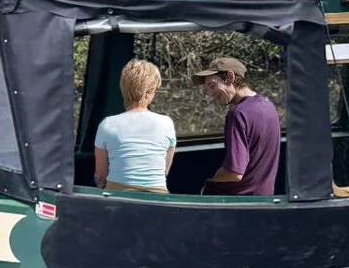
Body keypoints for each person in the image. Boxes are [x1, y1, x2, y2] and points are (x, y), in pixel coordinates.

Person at [195, 55, 281, 195]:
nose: (210, 94)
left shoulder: (237, 115)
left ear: (230, 77)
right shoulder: (268, 105)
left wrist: (212, 181)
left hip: (236, 202)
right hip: (264, 198)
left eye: (212, 85)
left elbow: (234, 173)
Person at [94, 59, 177, 193]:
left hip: (117, 198)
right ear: (149, 92)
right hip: (158, 199)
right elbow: (164, 171)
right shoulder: (167, 123)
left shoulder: (107, 124)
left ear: (123, 88)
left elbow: (101, 175)